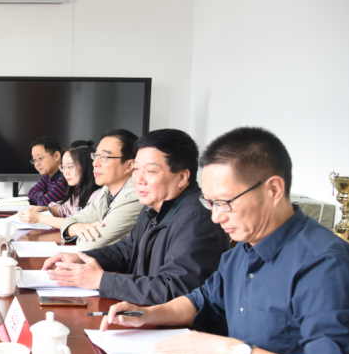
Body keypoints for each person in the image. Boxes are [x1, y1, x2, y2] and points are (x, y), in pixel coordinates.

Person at [99, 127, 349, 354]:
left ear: (273, 189)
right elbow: (201, 300)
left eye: (225, 203)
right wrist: (148, 314)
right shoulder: (241, 253)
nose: (216, 216)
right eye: (209, 202)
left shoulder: (324, 265)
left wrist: (228, 349)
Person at [44, 129, 230, 305]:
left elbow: (174, 290)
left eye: (150, 171)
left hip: (171, 324)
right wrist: (82, 258)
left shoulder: (197, 218)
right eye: (136, 169)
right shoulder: (154, 205)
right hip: (142, 311)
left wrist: (101, 280)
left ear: (182, 177)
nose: (139, 180)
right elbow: (128, 249)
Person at [58, 129, 142, 251]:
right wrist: (76, 227)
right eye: (96, 156)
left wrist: (76, 231)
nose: (95, 163)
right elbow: (69, 222)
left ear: (129, 165)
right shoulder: (107, 190)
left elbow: (89, 245)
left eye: (103, 157)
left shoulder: (135, 195)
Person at [17, 141, 101, 229]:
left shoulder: (98, 195)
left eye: (70, 166)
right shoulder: (78, 190)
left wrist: (40, 218)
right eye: (63, 167)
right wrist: (46, 209)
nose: (65, 172)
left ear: (87, 166)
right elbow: (65, 209)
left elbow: (78, 223)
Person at [26, 136, 68, 206]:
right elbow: (30, 194)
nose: (37, 164)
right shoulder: (47, 176)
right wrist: (43, 194)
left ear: (56, 156)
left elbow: (43, 203)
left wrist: (41, 197)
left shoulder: (65, 177)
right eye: (34, 160)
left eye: (40, 158)